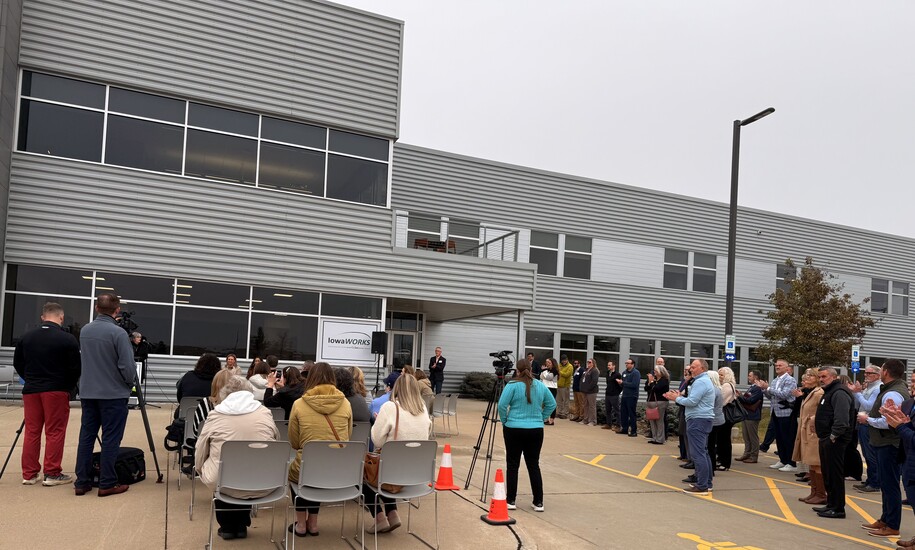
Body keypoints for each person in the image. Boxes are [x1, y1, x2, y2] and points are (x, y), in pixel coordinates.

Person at [194, 375, 279, 540]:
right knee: (248, 469)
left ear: (225, 394)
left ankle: (227, 527)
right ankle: (241, 525)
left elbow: (201, 448)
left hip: (223, 480)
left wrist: (201, 469)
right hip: (262, 479)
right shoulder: (264, 412)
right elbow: (276, 441)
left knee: (222, 472)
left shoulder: (215, 415)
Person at [74, 293, 136, 497]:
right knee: (111, 439)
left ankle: (82, 481)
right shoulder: (118, 333)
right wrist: (129, 384)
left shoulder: (85, 330)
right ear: (117, 310)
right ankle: (107, 482)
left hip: (89, 392)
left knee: (86, 437)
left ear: (96, 308)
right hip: (113, 394)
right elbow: (127, 366)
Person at [14, 301, 81, 486]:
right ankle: (52, 472)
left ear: (43, 317)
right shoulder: (67, 339)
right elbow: (75, 368)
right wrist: (68, 387)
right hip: (56, 389)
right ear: (61, 317)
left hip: (31, 390)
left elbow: (18, 363)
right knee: (55, 431)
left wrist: (30, 378)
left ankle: (29, 474)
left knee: (32, 431)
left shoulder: (26, 337)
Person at [287, 362, 353, 537]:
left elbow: (294, 441)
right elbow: (348, 436)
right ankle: (313, 523)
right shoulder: (345, 403)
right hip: (337, 468)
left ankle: (301, 524)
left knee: (297, 472)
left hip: (307, 468)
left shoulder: (299, 404)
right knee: (318, 468)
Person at [364, 374, 432, 534]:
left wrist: (379, 421)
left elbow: (377, 441)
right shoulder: (423, 409)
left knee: (362, 473)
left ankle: (379, 517)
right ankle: (392, 513)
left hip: (391, 474)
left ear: (396, 388)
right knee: (389, 468)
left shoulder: (390, 407)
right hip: (416, 475)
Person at [498, 358, 556, 513]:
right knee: (533, 464)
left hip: (514, 428)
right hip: (535, 429)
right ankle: (538, 501)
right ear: (531, 370)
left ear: (517, 371)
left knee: (512, 464)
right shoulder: (540, 385)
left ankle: (511, 500)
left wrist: (505, 420)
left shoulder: (512, 385)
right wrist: (542, 417)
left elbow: (502, 405)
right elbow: (552, 404)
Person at [860, 359, 907, 538]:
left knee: (890, 485)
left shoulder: (892, 394)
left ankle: (892, 525)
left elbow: (888, 423)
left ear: (885, 372)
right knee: (887, 485)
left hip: (889, 444)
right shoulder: (891, 390)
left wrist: (867, 420)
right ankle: (885, 519)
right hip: (885, 443)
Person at [665, 359, 715, 495]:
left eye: (693, 367)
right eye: (690, 367)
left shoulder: (700, 382)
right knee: (703, 452)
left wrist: (676, 398)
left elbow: (692, 401)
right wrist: (678, 396)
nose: (690, 370)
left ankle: (702, 486)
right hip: (702, 419)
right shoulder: (702, 381)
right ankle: (706, 483)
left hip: (698, 419)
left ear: (702, 368)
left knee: (698, 454)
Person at [811, 366, 855, 519]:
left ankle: (838, 508)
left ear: (834, 377)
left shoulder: (839, 393)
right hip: (826, 439)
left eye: (824, 376)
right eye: (820, 377)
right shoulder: (829, 391)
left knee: (835, 474)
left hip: (835, 440)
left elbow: (841, 419)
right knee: (828, 473)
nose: (821, 380)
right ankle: (831, 504)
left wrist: (833, 436)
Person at [878, 391, 915, 547]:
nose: (913, 385)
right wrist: (898, 419)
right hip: (908, 461)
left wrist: (900, 426)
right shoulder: (910, 403)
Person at [791, 369, 825, 505]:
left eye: (811, 376)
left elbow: (822, 412)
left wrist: (813, 421)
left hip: (814, 433)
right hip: (807, 432)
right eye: (806, 376)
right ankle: (814, 492)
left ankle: (821, 494)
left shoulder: (819, 393)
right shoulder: (810, 392)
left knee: (816, 463)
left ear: (817, 378)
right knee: (811, 463)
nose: (806, 378)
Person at [758, 359, 798, 472]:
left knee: (787, 438)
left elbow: (784, 394)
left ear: (787, 368)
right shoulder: (775, 380)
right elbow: (772, 397)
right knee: (779, 438)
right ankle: (783, 460)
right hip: (775, 412)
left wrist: (768, 388)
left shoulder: (790, 380)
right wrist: (764, 390)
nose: (777, 367)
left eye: (780, 365)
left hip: (786, 413)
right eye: (776, 365)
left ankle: (791, 463)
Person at [849, 365, 882, 493]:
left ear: (878, 375)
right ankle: (870, 479)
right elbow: (860, 404)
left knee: (870, 454)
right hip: (863, 422)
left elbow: (869, 406)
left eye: (869, 373)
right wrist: (857, 393)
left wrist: (857, 393)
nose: (866, 375)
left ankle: (875, 482)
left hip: (869, 423)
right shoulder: (870, 387)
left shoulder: (877, 388)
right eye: (865, 372)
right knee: (867, 454)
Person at [736, 369, 765, 463]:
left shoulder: (757, 389)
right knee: (746, 436)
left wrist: (740, 396)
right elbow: (747, 398)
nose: (748, 377)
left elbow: (750, 400)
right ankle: (747, 453)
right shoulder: (752, 387)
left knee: (752, 437)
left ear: (755, 377)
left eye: (750, 376)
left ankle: (753, 456)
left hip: (753, 415)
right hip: (747, 414)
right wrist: (741, 396)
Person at [713, 367, 737, 470]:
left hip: (725, 417)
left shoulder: (727, 386)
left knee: (724, 440)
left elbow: (721, 401)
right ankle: (721, 460)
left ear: (727, 376)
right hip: (723, 416)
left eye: (722, 375)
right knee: (721, 439)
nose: (719, 376)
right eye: (718, 374)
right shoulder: (723, 385)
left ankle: (725, 463)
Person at [645, 363, 670, 444]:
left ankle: (660, 439)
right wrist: (649, 382)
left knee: (659, 420)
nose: (654, 372)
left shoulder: (664, 380)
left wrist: (652, 382)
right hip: (651, 401)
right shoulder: (654, 379)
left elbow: (656, 388)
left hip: (660, 402)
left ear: (661, 372)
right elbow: (647, 388)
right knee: (652, 420)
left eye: (656, 371)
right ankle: (654, 437)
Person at [619, 359, 641, 437]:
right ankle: (624, 429)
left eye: (628, 363)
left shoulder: (636, 373)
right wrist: (620, 383)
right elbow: (623, 384)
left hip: (632, 396)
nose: (626, 364)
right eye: (626, 363)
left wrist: (623, 383)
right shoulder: (624, 373)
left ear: (632, 364)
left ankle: (633, 431)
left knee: (631, 413)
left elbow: (634, 384)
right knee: (623, 412)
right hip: (624, 395)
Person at [579, 358, 600, 426]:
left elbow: (594, 381)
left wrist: (588, 388)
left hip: (591, 391)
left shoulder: (595, 371)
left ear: (593, 363)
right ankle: (586, 419)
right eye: (587, 362)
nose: (588, 363)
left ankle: (593, 421)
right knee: (585, 405)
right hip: (585, 391)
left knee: (592, 406)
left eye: (590, 362)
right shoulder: (586, 370)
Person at [602, 361, 622, 431]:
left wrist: (617, 392)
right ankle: (609, 424)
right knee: (608, 410)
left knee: (616, 410)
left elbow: (621, 385)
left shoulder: (617, 374)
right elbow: (608, 383)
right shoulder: (608, 373)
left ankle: (618, 425)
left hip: (614, 395)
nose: (608, 366)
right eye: (608, 365)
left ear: (614, 366)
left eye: (610, 365)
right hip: (608, 394)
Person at [539, 357, 559, 426]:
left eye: (549, 362)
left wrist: (544, 371)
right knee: (544, 403)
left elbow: (549, 378)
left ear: (553, 363)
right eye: (547, 362)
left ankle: (552, 419)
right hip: (545, 387)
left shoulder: (555, 370)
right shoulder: (546, 370)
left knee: (552, 403)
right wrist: (544, 372)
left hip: (552, 388)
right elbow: (541, 377)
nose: (547, 364)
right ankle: (546, 419)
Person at [556, 355, 573, 419]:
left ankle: (565, 413)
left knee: (565, 400)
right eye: (563, 360)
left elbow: (567, 374)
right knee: (559, 400)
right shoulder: (559, 365)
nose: (564, 361)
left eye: (565, 360)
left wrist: (559, 372)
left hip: (565, 386)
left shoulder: (570, 366)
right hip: (559, 385)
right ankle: (559, 412)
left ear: (567, 360)